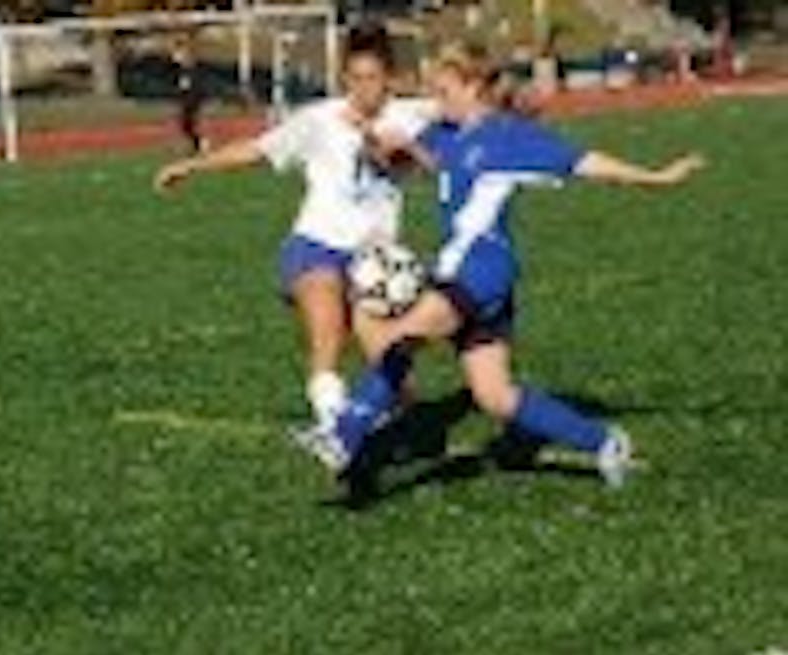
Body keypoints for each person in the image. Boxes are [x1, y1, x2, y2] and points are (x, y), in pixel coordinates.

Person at [293, 45, 706, 488]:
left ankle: (343, 434)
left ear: (473, 87)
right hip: (462, 274)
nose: (437, 101)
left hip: (481, 271)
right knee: (495, 395)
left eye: (444, 91)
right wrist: (381, 145)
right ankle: (605, 442)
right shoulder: (444, 131)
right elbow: (419, 164)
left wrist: (655, 178)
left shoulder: (510, 137)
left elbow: (583, 162)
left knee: (402, 336)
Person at [154, 23, 434, 431]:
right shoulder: (318, 120)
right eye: (355, 78)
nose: (363, 88)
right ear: (344, 79)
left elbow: (449, 148)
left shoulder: (408, 118)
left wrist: (406, 149)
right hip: (316, 246)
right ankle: (332, 423)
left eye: (373, 78)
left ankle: (403, 417)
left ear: (389, 80)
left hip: (375, 261)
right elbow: (258, 150)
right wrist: (191, 166)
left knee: (392, 367)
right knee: (327, 332)